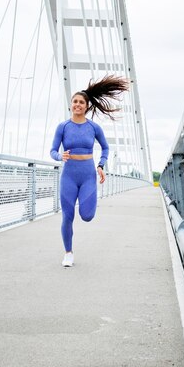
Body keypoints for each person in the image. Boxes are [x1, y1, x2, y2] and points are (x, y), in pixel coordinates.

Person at [50, 75, 129, 267]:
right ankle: (68, 253)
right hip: (69, 176)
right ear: (71, 105)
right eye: (74, 102)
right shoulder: (63, 127)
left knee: (87, 216)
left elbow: (105, 148)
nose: (77, 104)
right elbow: (52, 151)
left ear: (86, 106)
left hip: (87, 176)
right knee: (68, 216)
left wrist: (101, 165)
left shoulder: (94, 127)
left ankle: (89, 201)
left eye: (81, 102)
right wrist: (61, 157)